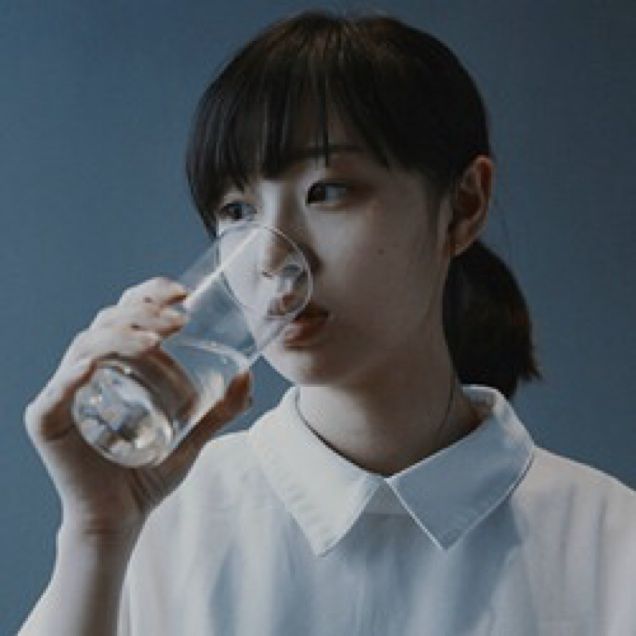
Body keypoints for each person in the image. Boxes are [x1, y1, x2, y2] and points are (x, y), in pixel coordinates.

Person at [20, 10, 636, 635]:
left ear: (463, 205)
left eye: (329, 191)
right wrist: (95, 533)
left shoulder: (611, 547)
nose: (271, 257)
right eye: (237, 210)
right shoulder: (159, 519)